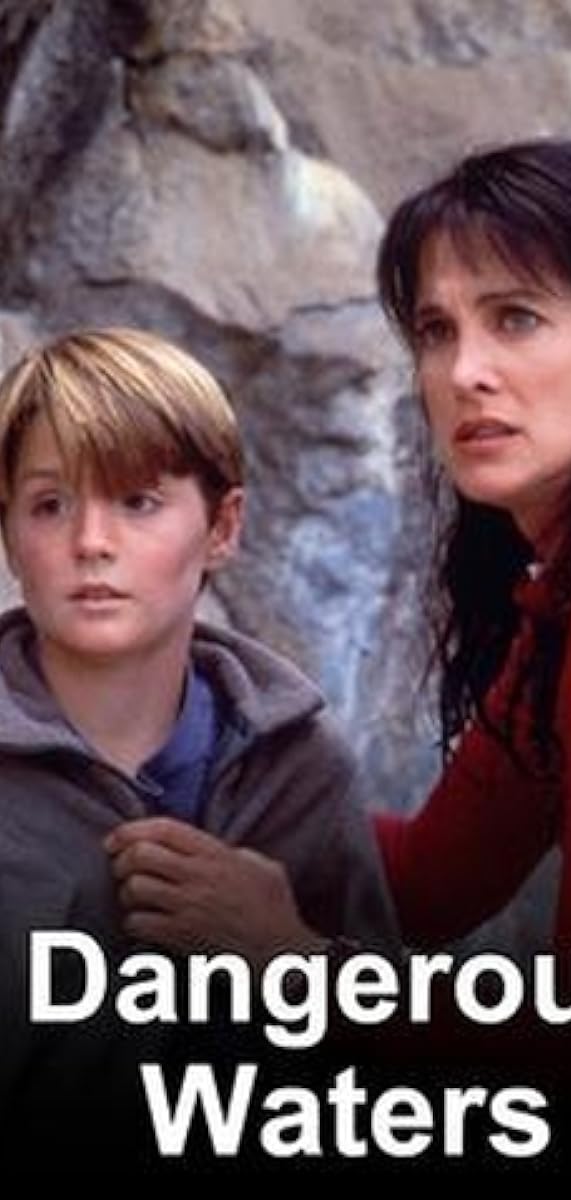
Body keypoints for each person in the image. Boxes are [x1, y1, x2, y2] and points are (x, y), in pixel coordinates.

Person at [167, 137, 571, 967]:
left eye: (516, 317)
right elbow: (427, 882)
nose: (464, 371)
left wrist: (295, 962)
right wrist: (164, 780)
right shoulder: (569, 598)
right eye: (436, 330)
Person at [0, 325, 397, 1166]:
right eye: (50, 504)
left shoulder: (301, 767)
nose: (90, 541)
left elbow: (394, 1075)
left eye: (137, 502)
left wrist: (288, 957)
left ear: (223, 526)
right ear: (9, 534)